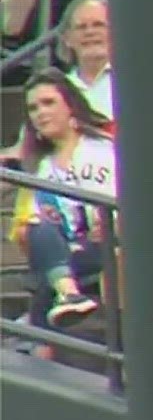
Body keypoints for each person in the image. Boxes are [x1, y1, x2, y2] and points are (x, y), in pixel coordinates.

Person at [13, 72, 115, 328]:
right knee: (38, 229)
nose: (40, 113)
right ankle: (68, 294)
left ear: (71, 105)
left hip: (114, 242)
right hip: (68, 250)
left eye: (48, 103)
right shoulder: (39, 169)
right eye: (33, 108)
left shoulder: (105, 148)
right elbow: (28, 234)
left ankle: (39, 332)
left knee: (48, 277)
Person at [55, 0, 114, 121]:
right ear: (67, 39)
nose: (90, 32)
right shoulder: (57, 89)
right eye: (81, 27)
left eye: (98, 25)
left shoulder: (133, 83)